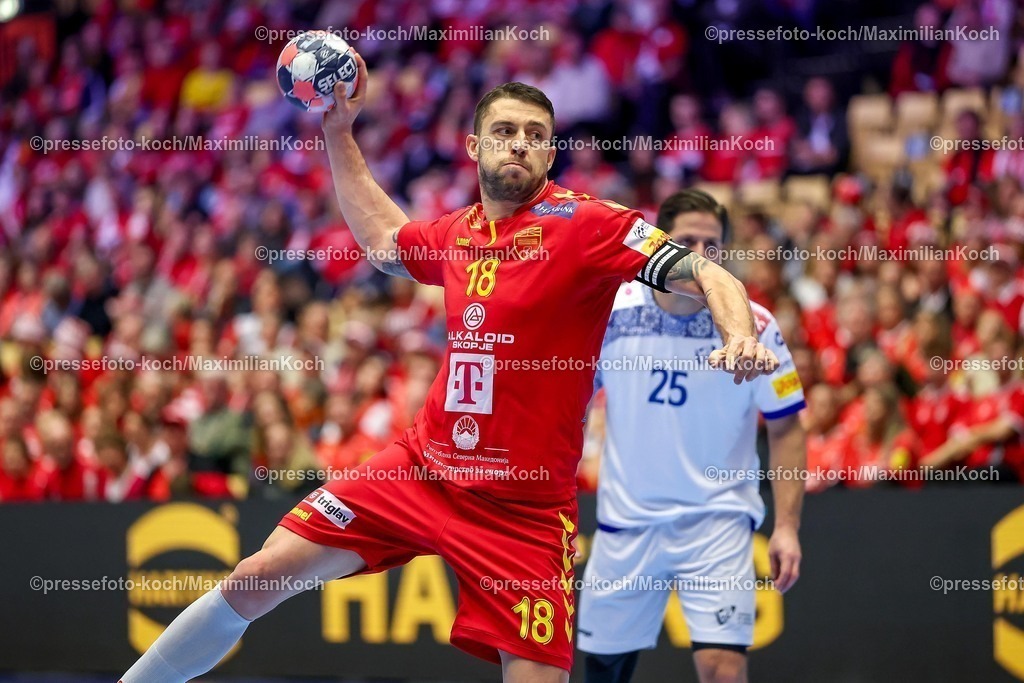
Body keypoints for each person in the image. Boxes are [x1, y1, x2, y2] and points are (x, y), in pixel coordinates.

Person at [120, 55, 779, 683]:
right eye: (504, 132)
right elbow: (382, 240)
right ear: (474, 147)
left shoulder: (587, 224)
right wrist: (338, 131)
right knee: (257, 575)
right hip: (423, 469)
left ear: (550, 152)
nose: (519, 143)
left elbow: (702, 270)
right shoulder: (457, 233)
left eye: (535, 135)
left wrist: (739, 330)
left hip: (523, 511)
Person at [577, 190, 807, 683]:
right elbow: (569, 413)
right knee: (603, 672)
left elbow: (787, 424)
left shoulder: (757, 325)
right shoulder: (609, 312)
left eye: (713, 246)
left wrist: (787, 525)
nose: (702, 257)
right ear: (660, 247)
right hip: (625, 523)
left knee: (723, 668)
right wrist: (559, 514)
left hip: (716, 522)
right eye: (687, 243)